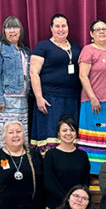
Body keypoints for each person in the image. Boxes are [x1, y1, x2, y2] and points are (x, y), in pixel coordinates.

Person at [76, 19, 106, 174]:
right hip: (94, 103)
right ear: (91, 34)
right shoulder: (88, 50)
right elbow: (83, 76)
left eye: (104, 29)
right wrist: (93, 98)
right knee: (94, 138)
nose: (102, 32)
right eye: (98, 30)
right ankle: (93, 173)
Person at [30, 14, 82, 152]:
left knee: (70, 132)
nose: (61, 29)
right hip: (50, 99)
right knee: (50, 134)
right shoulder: (42, 46)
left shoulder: (76, 47)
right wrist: (39, 97)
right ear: (51, 28)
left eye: (63, 26)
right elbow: (33, 73)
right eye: (57, 26)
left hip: (72, 98)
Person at [0, 16, 30, 152]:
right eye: (9, 27)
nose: (12, 31)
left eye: (15, 27)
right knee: (3, 135)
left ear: (20, 30)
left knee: (19, 134)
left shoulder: (25, 51)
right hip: (6, 99)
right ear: (4, 31)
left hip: (22, 99)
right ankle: (0, 163)